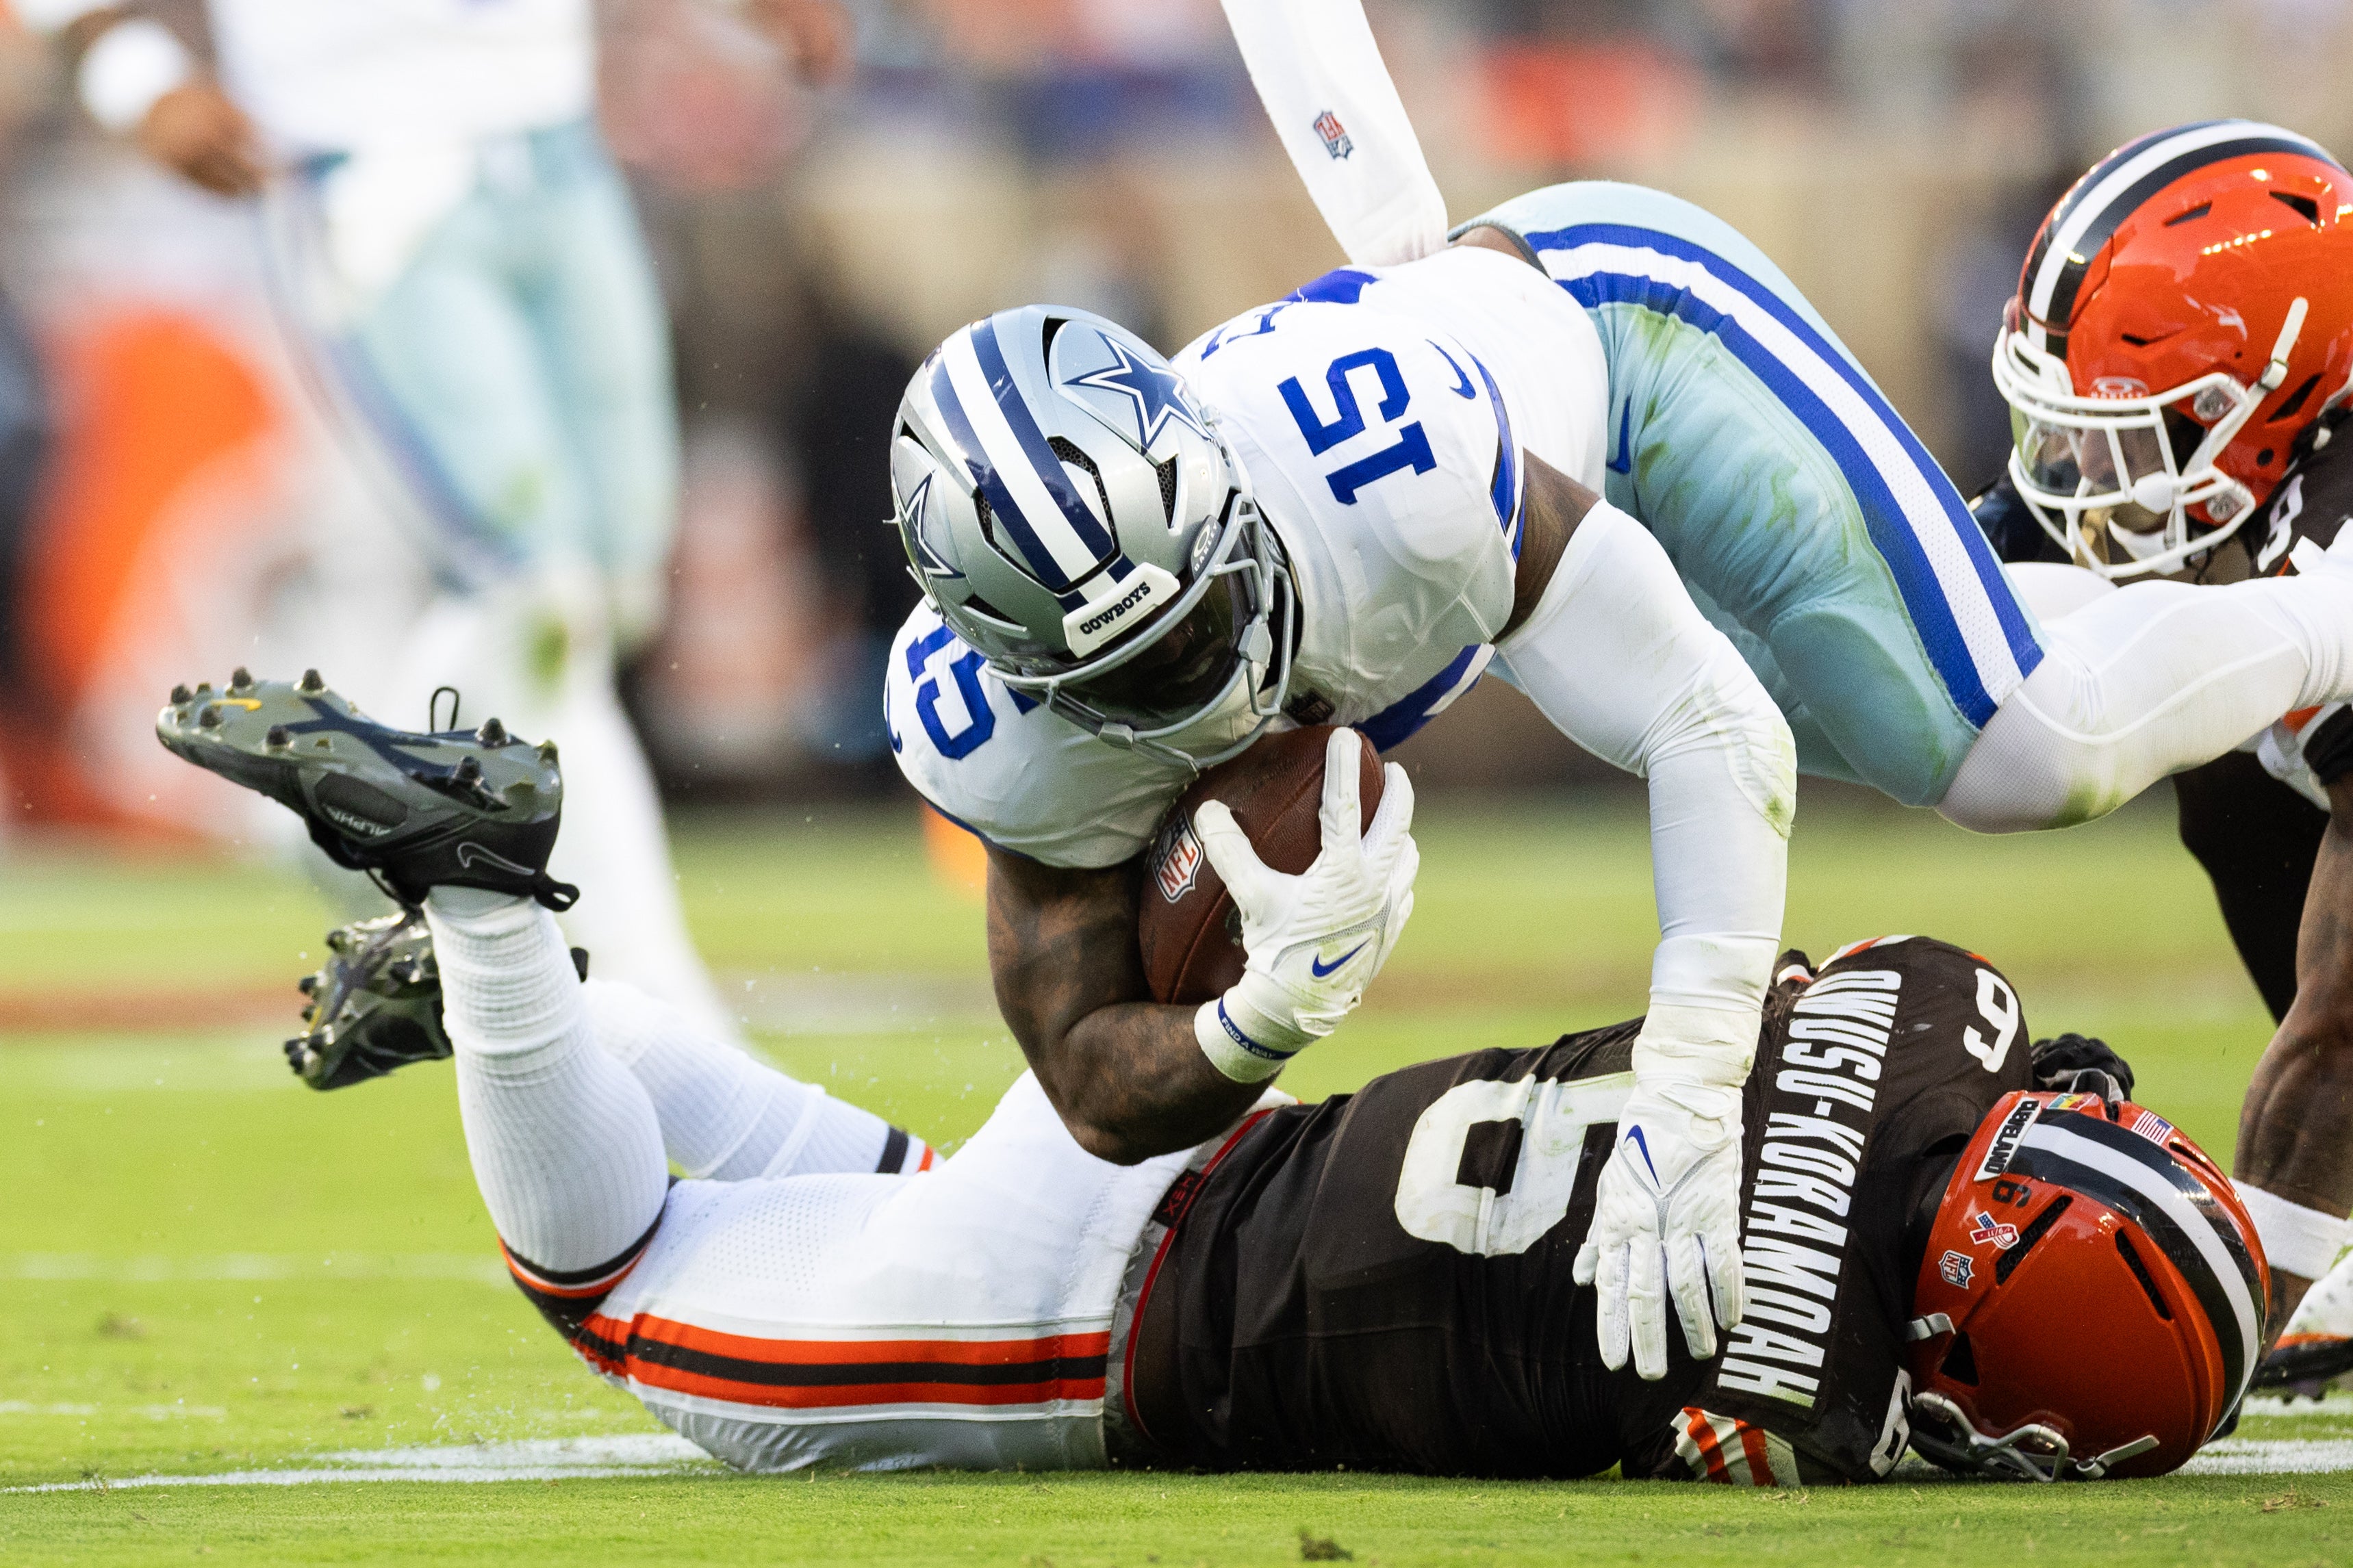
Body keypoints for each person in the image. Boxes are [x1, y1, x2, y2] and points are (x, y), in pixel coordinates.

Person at [876, 21, 2353, 1387]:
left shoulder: (1396, 484)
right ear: (1018, 668)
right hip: (1496, 526)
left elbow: (1710, 729)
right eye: (1143, 674)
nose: (1211, 678)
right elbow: (1090, 1081)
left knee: (2016, 745)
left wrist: (1688, 1095)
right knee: (1927, 681)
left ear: (1214, 481)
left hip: (1631, 348)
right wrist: (1254, 1025)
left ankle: (2331, 622)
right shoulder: (998, 741)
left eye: (1208, 608)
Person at [155, 674, 2265, 1482]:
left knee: (870, 1192)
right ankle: (498, 913)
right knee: (623, 1300)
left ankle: (533, 1003)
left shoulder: (1936, 1019)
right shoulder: (1816, 1385)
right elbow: (1832, 1389)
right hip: (1122, 1329)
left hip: (1204, 1161)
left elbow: (2015, 1060)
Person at [20, 0, 845, 1040]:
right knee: (539, 591)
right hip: (370, 170)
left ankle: (347, 824)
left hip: (558, 153)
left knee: (616, 591)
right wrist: (134, 76)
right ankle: (655, 994)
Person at [1964, 120, 2353, 1386]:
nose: (2084, 476)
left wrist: (2235, 1303)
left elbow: (2345, 1019)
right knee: (2225, 737)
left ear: (2269, 404)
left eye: (2124, 436)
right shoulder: (2271, 477)